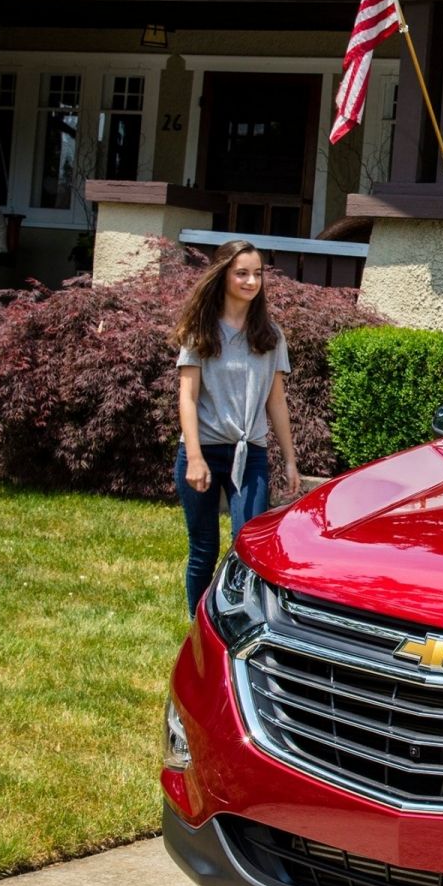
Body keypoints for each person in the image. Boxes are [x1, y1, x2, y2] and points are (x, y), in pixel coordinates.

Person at [171, 239, 299, 616]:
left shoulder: (270, 335)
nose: (250, 281)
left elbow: (276, 401)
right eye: (241, 273)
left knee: (248, 546)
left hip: (251, 454)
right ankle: (199, 626)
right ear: (223, 274)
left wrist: (290, 459)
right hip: (204, 451)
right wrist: (194, 458)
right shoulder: (200, 331)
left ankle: (237, 621)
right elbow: (187, 398)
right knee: (204, 548)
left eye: (257, 274)